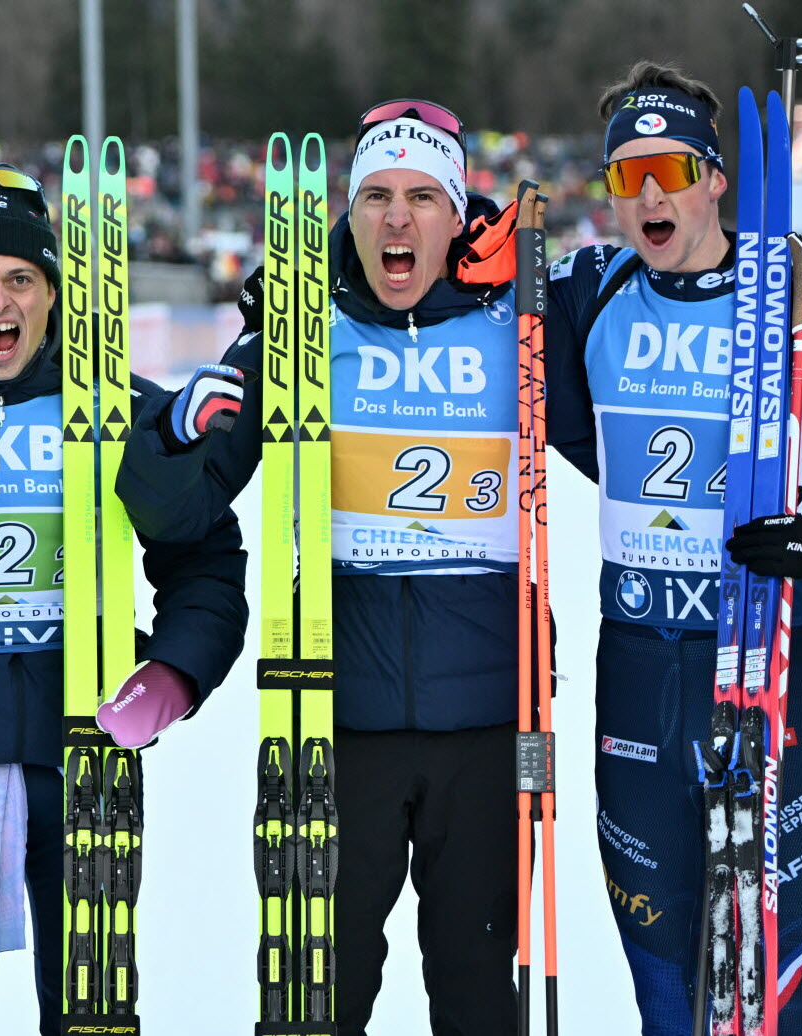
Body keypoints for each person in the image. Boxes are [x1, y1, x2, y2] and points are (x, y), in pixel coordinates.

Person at [117, 101, 527, 1035]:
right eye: (375, 196)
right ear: (346, 212)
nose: (396, 219)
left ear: (459, 217)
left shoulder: (517, 328)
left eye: (423, 198)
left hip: (488, 731)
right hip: (334, 734)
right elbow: (176, 509)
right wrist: (172, 434)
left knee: (474, 992)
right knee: (316, 1003)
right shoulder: (294, 339)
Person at [0, 165, 247, 1035]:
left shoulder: (119, 410)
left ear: (49, 291)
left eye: (17, 280)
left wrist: (176, 674)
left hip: (85, 753)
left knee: (89, 1013)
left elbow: (207, 561)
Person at [545, 62, 802, 1034]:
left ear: (714, 176)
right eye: (627, 177)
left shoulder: (794, 289)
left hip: (760, 668)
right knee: (666, 983)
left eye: (669, 167)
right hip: (634, 676)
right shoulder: (588, 290)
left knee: (773, 977)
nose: (650, 194)